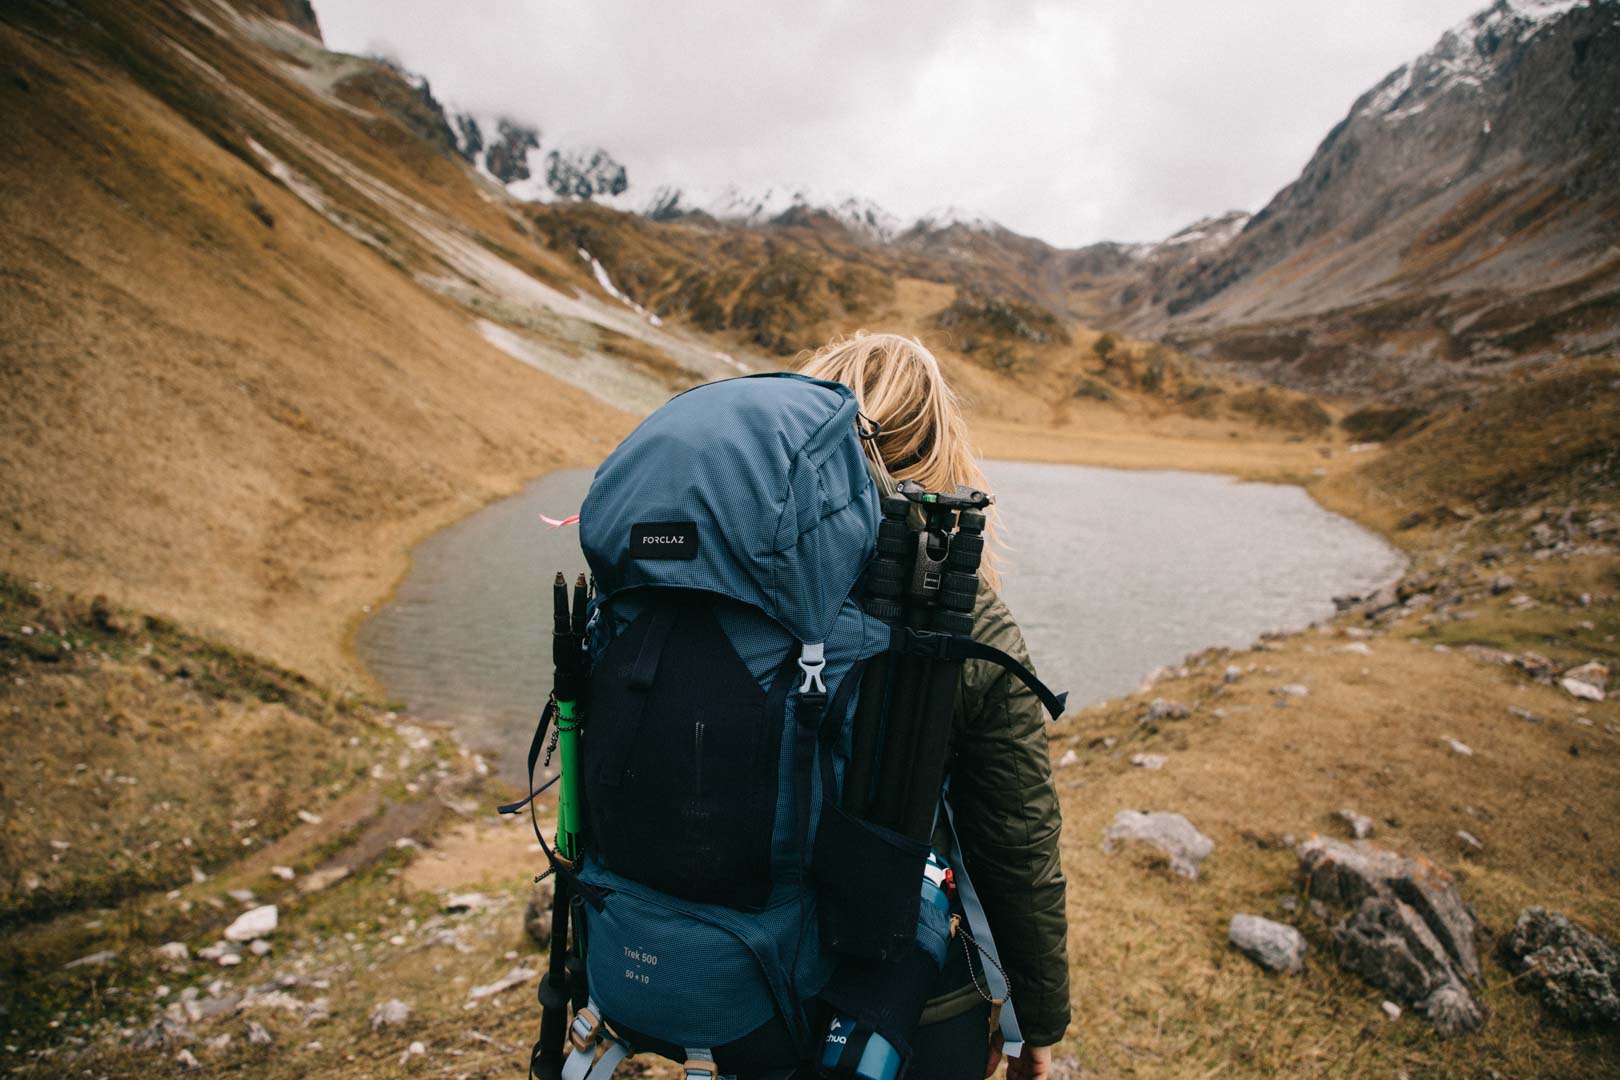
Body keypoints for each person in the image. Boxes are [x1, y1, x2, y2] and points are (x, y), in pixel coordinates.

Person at [798, 332, 1069, 1080]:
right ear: (943, 446)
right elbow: (1015, 842)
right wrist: (1033, 1024)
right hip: (913, 1004)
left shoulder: (741, 580)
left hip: (749, 978)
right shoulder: (963, 618)